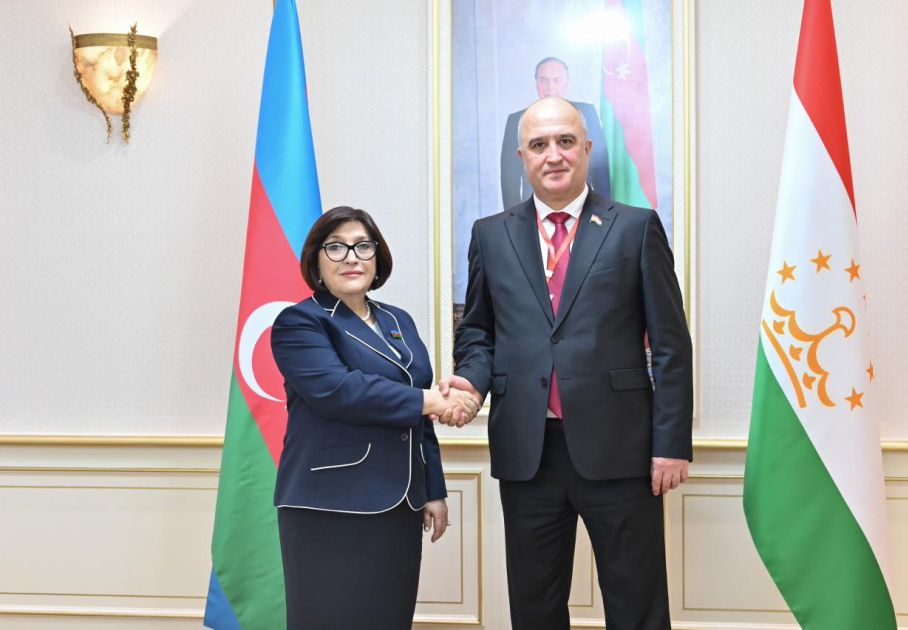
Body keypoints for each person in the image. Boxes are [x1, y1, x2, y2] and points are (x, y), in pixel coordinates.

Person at [441, 98, 693, 629]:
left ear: (586, 149)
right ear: (522, 157)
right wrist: (470, 382)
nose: (553, 155)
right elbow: (480, 332)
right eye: (538, 145)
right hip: (528, 452)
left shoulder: (635, 227)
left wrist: (670, 443)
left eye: (564, 141)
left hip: (621, 451)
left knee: (638, 605)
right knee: (535, 607)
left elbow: (671, 344)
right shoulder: (490, 234)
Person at [271, 206, 478, 630]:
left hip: (400, 504)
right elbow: (339, 391)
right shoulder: (300, 322)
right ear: (316, 261)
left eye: (363, 246)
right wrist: (432, 401)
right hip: (330, 504)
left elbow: (417, 414)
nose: (352, 257)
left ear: (377, 257)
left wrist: (433, 490)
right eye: (336, 247)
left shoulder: (397, 320)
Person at [500, 57, 611, 210]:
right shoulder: (516, 120)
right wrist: (514, 218)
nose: (550, 86)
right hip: (533, 209)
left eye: (556, 80)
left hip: (583, 207)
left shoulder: (587, 113)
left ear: (566, 82)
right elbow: (509, 180)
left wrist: (605, 212)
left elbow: (600, 171)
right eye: (544, 80)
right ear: (536, 83)